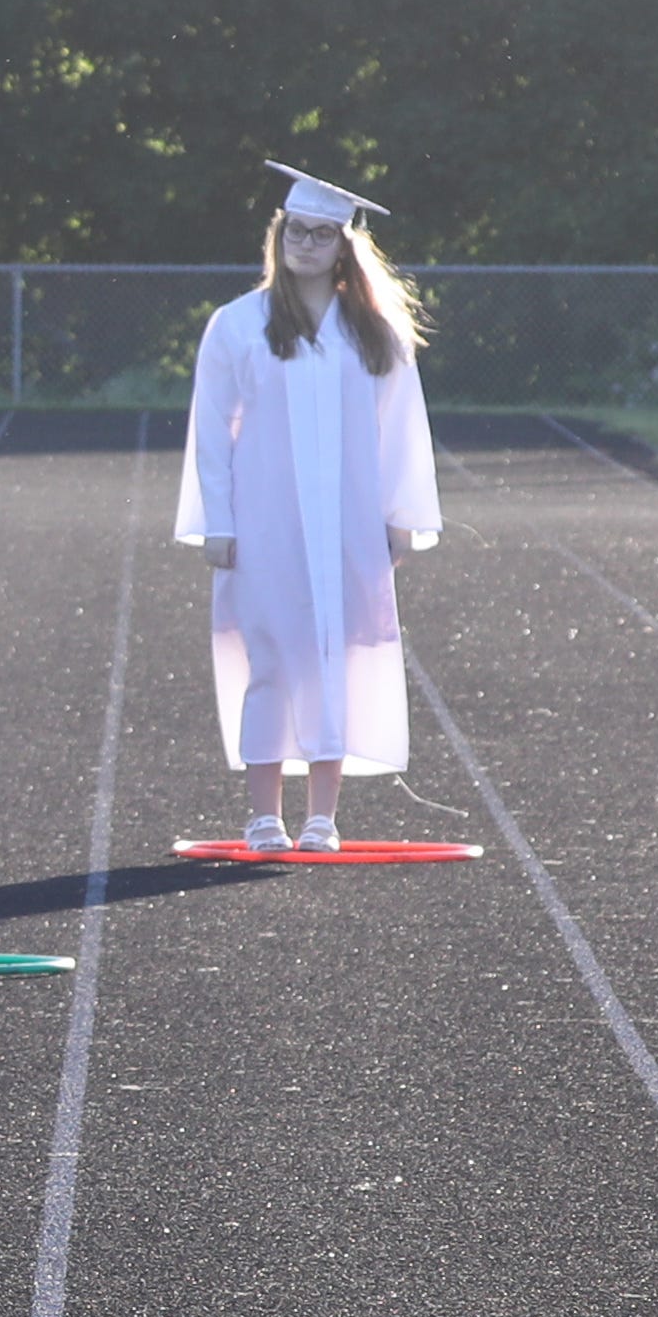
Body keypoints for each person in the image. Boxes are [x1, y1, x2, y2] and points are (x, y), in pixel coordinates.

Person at [176, 167, 441, 851]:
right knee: (269, 657)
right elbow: (209, 429)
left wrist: (401, 514)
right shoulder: (237, 325)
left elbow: (401, 426)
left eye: (320, 234)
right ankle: (263, 814)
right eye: (295, 230)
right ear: (278, 234)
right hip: (263, 518)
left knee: (335, 656)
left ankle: (322, 815)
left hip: (349, 522)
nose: (304, 243)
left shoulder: (372, 333)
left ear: (342, 245)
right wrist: (215, 521)